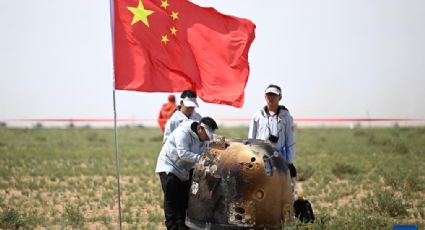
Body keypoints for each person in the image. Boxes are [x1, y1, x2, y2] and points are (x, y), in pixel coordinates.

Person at [155, 117, 218, 230]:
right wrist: (202, 158)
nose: (207, 138)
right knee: (172, 200)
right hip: (169, 167)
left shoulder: (205, 139)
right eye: (206, 135)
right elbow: (183, 154)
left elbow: (210, 150)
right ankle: (172, 227)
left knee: (184, 200)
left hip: (184, 170)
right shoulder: (182, 132)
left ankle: (182, 227)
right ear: (200, 128)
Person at [248, 84, 297, 193]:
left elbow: (290, 142)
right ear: (265, 97)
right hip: (261, 160)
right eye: (269, 94)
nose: (271, 97)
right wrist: (252, 159)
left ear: (280, 97)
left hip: (280, 159)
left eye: (274, 95)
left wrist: (290, 162)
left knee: (284, 190)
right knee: (261, 190)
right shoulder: (257, 116)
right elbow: (251, 140)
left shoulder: (286, 117)